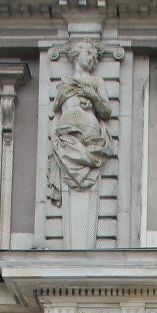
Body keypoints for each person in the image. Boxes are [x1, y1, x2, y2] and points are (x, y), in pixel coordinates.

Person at [48, 40, 115, 207]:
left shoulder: (96, 81)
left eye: (94, 56)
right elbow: (56, 106)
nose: (92, 59)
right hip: (66, 138)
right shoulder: (65, 82)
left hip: (90, 138)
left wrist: (92, 96)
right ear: (76, 55)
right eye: (89, 54)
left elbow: (106, 111)